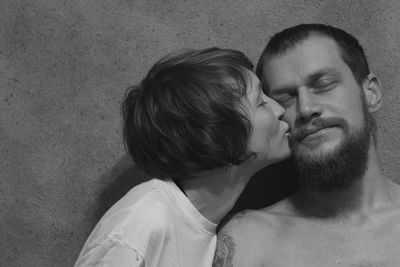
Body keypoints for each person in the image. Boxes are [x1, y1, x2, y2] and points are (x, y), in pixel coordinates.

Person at [74, 47, 290, 267]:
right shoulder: (142, 224)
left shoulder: (197, 229)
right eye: (261, 102)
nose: (279, 109)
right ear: (214, 135)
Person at [213, 24, 400, 266]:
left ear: (371, 93)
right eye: (286, 98)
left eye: (323, 85)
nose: (306, 108)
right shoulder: (250, 239)